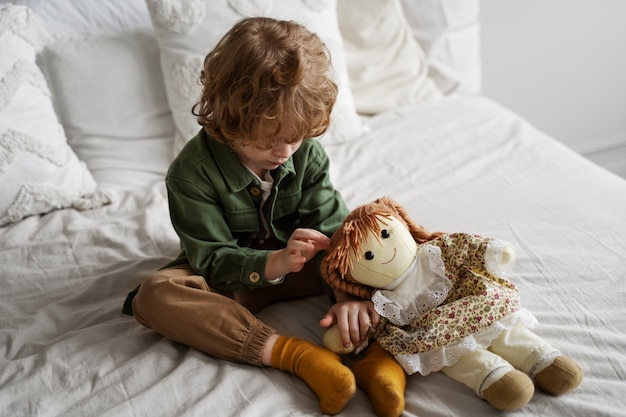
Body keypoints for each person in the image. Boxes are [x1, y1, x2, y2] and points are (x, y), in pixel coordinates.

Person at [122, 17, 379, 415]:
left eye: (294, 138)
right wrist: (273, 262)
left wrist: (347, 295)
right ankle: (298, 357)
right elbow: (211, 260)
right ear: (228, 119)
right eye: (267, 140)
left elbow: (333, 229)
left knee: (382, 248)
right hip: (234, 277)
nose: (283, 152)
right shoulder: (190, 174)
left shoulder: (306, 154)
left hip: (307, 266)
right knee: (153, 297)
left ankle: (381, 360)